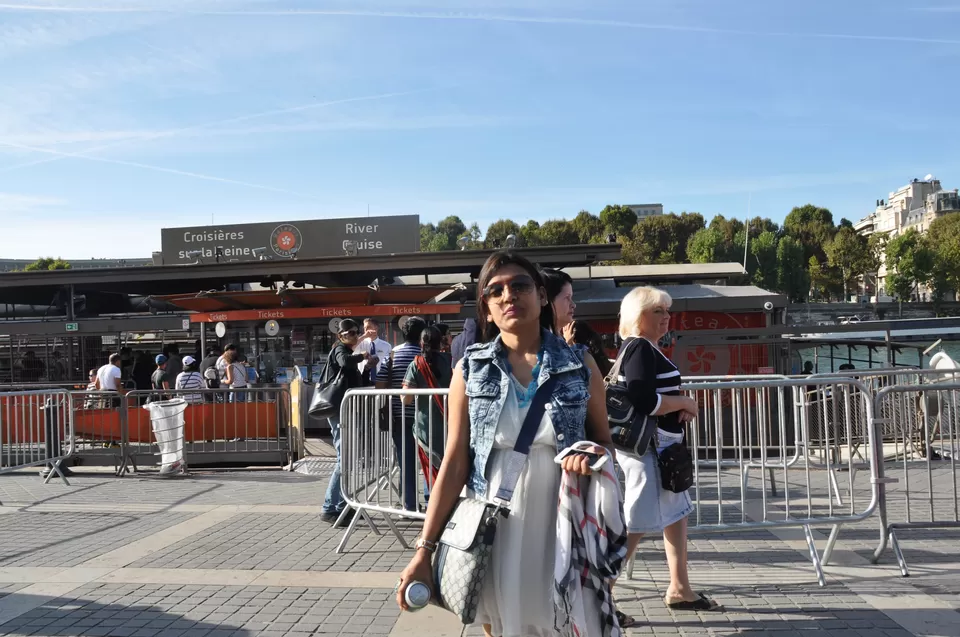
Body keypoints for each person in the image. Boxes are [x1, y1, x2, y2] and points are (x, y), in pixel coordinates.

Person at [396, 250, 617, 637]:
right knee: (500, 620)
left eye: (519, 285)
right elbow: (454, 462)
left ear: (541, 296)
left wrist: (592, 454)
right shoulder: (470, 368)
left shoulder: (580, 364)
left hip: (562, 520)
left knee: (564, 621)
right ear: (485, 306)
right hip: (495, 522)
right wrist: (424, 550)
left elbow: (604, 441)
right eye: (494, 290)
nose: (508, 295)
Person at [614, 286, 717, 625]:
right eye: (658, 311)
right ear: (638, 315)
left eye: (667, 311)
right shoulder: (641, 347)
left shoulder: (642, 347)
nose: (666, 317)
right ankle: (599, 592)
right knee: (637, 521)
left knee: (674, 514)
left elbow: (651, 395)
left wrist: (679, 405)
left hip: (659, 445)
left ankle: (680, 587)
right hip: (652, 448)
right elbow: (644, 400)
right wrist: (684, 403)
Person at [322, 318, 377, 526]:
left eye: (355, 332)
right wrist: (362, 356)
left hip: (346, 411)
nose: (354, 336)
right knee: (343, 459)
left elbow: (356, 381)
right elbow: (345, 362)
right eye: (350, 333)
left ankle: (341, 504)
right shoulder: (339, 349)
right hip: (339, 412)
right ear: (340, 336)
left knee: (346, 459)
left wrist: (368, 367)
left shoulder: (347, 352)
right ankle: (330, 507)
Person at [377, 316, 427, 512]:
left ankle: (409, 503)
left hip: (399, 415)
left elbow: (380, 384)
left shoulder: (392, 354)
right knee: (430, 459)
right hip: (425, 415)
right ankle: (432, 501)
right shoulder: (426, 354)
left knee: (405, 460)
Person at [401, 326, 452, 471]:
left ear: (421, 343)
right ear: (440, 342)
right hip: (450, 425)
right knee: (449, 471)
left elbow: (406, 399)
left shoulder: (417, 364)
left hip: (425, 427)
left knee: (430, 473)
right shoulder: (452, 360)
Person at [541, 268, 576, 339]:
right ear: (545, 299)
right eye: (567, 297)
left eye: (571, 298)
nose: (573, 305)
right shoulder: (538, 342)